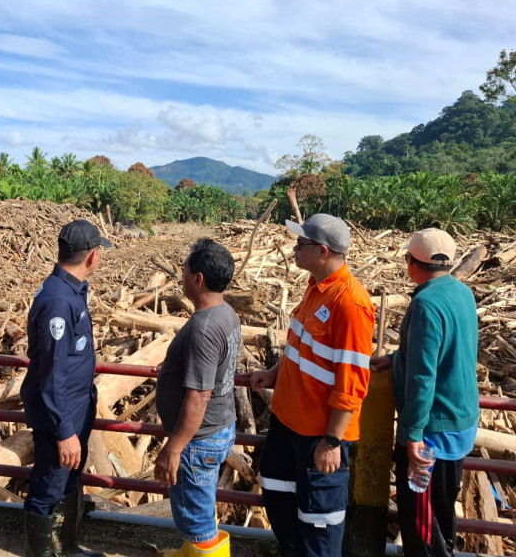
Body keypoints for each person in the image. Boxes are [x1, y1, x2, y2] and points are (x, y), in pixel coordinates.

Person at [249, 213, 375, 557]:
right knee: (282, 507)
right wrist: (276, 372)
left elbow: (352, 381)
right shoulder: (315, 288)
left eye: (300, 244)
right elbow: (301, 345)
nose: (293, 249)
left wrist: (332, 440)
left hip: (318, 435)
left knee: (319, 524)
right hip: (287, 423)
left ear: (322, 251)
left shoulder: (349, 303)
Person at [371, 228, 479, 557]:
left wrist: (414, 433)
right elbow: (445, 350)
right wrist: (395, 359)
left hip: (432, 430)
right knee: (442, 512)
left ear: (412, 262)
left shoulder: (426, 304)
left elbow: (423, 376)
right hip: (460, 420)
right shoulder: (461, 293)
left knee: (420, 524)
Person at [21, 219, 111, 557]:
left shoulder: (70, 291)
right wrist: (64, 431)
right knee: (49, 487)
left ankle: (67, 549)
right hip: (61, 417)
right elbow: (52, 374)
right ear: (91, 257)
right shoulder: (60, 301)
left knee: (67, 481)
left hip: (74, 411)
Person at [154, 238, 241, 557]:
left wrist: (173, 448)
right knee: (200, 506)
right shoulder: (225, 312)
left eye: (185, 271)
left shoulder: (204, 328)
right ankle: (190, 552)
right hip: (216, 428)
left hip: (198, 438)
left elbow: (199, 396)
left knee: (197, 519)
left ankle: (200, 550)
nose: (181, 277)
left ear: (198, 279)